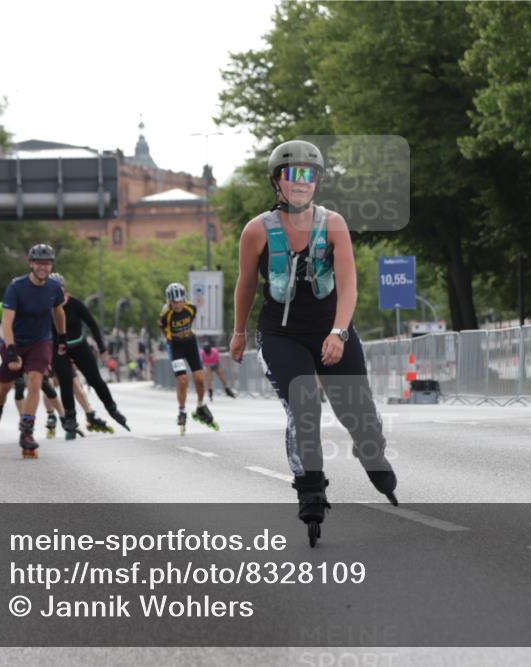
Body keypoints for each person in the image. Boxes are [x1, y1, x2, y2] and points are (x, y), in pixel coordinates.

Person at [230, 139, 398, 547]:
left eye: (309, 175)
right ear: (277, 182)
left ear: (317, 182)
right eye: (292, 175)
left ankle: (370, 451)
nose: (301, 183)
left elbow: (349, 284)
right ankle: (310, 491)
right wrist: (237, 332)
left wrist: (339, 332)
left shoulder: (334, 224)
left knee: (358, 414)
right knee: (303, 404)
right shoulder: (256, 230)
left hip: (330, 327)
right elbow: (247, 283)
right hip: (281, 335)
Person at [0, 243, 67, 458]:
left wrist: (62, 337)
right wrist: (12, 350)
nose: (43, 267)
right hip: (16, 341)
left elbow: (58, 312)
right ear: (31, 264)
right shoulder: (16, 287)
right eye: (39, 263)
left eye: (47, 263)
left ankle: (27, 431)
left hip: (41, 341)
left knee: (35, 380)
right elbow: (7, 322)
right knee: (3, 388)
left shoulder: (53, 288)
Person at [47, 272, 128, 437]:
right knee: (65, 381)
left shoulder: (75, 304)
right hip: (59, 349)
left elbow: (92, 324)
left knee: (95, 379)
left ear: (64, 289)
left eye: (59, 289)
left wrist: (102, 347)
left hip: (79, 346)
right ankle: (70, 417)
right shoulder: (45, 308)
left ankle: (112, 408)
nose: (56, 293)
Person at [159, 282, 216, 434]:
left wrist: (184, 335)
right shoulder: (166, 314)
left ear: (184, 299)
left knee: (199, 378)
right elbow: (163, 329)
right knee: (183, 380)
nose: (177, 305)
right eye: (174, 302)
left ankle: (200, 406)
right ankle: (182, 410)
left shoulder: (191, 308)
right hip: (175, 346)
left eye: (179, 301)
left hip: (190, 343)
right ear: (169, 301)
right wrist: (172, 338)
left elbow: (191, 321)